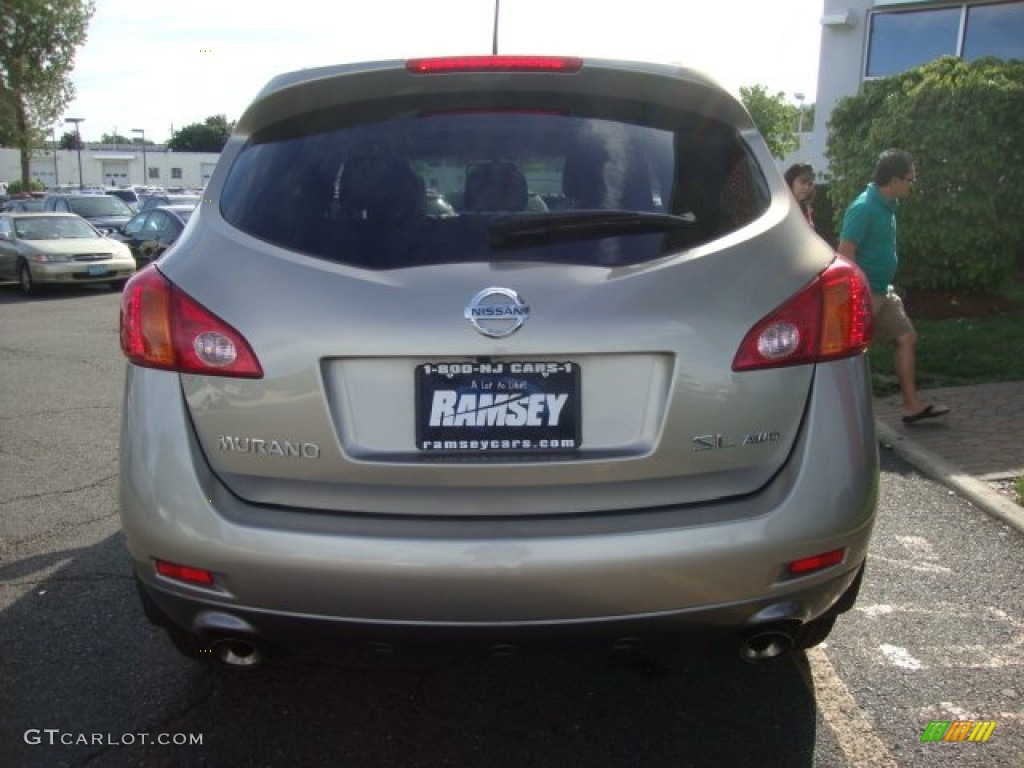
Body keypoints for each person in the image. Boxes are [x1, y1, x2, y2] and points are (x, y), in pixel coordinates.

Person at [838, 149, 949, 424]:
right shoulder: (864, 207)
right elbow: (845, 253)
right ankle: (840, 416)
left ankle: (911, 406)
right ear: (894, 180)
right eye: (910, 180)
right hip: (866, 294)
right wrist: (860, 295)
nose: (912, 184)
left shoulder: (887, 207)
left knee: (906, 337)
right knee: (849, 355)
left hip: (883, 291)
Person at [784, 162, 816, 227]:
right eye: (803, 182)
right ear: (791, 181)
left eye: (810, 184)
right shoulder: (781, 208)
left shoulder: (805, 209)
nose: (807, 187)